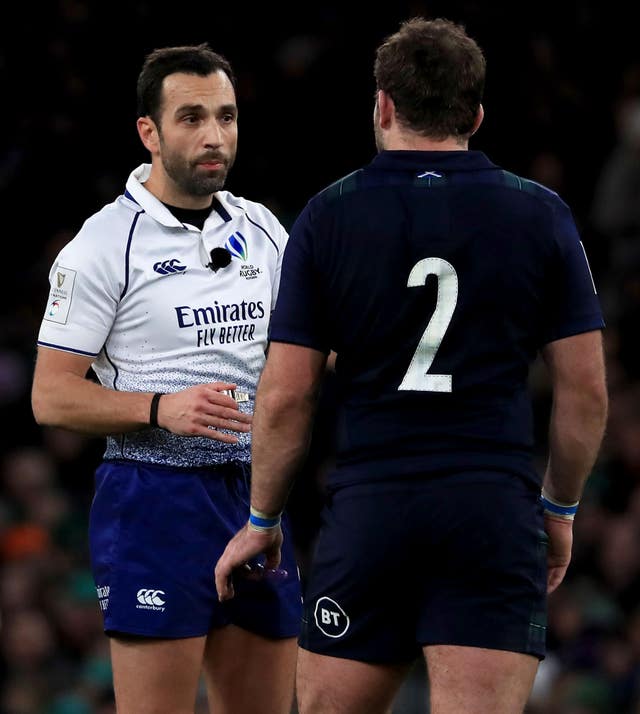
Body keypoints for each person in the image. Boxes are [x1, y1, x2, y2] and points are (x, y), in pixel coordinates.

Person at [214, 18, 608, 714]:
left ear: (383, 105)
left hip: (372, 511)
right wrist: (561, 507)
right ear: (477, 115)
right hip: (491, 509)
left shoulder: (327, 216)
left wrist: (262, 517)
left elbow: (285, 395)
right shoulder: (542, 214)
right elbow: (585, 387)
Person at [31, 43, 301, 714]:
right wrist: (159, 408)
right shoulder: (101, 245)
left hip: (255, 494)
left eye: (227, 116)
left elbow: (309, 354)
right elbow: (50, 395)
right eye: (191, 117)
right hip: (154, 499)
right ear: (149, 131)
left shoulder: (264, 230)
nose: (215, 136)